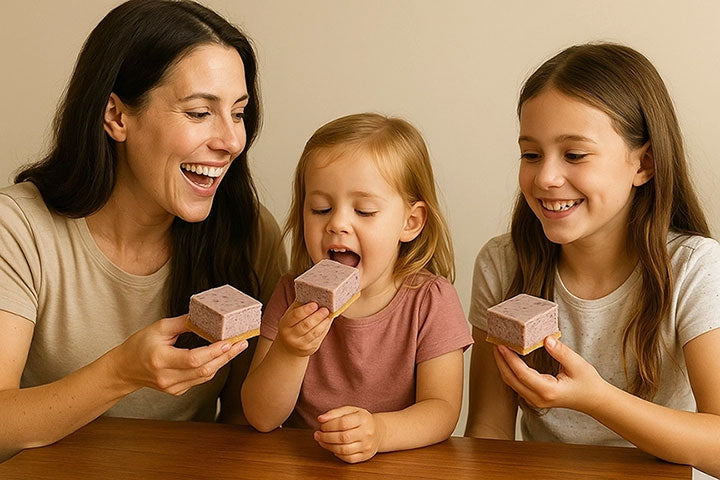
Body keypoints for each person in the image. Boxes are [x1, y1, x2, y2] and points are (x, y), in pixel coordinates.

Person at [0, 0, 286, 460]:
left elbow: (246, 421)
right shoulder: (17, 230)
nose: (232, 140)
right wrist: (121, 372)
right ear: (116, 116)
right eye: (198, 113)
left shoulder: (250, 235)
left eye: (238, 112)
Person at [464, 43, 720, 476]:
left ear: (644, 164)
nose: (545, 177)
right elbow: (489, 428)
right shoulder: (502, 264)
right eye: (530, 154)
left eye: (575, 155)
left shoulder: (695, 269)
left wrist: (594, 399)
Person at [241, 113, 473, 463]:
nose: (337, 223)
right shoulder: (292, 295)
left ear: (410, 222)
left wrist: (380, 432)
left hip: (397, 464)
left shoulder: (431, 301)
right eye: (320, 208)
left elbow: (442, 410)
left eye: (363, 211)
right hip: (305, 462)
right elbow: (261, 417)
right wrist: (290, 351)